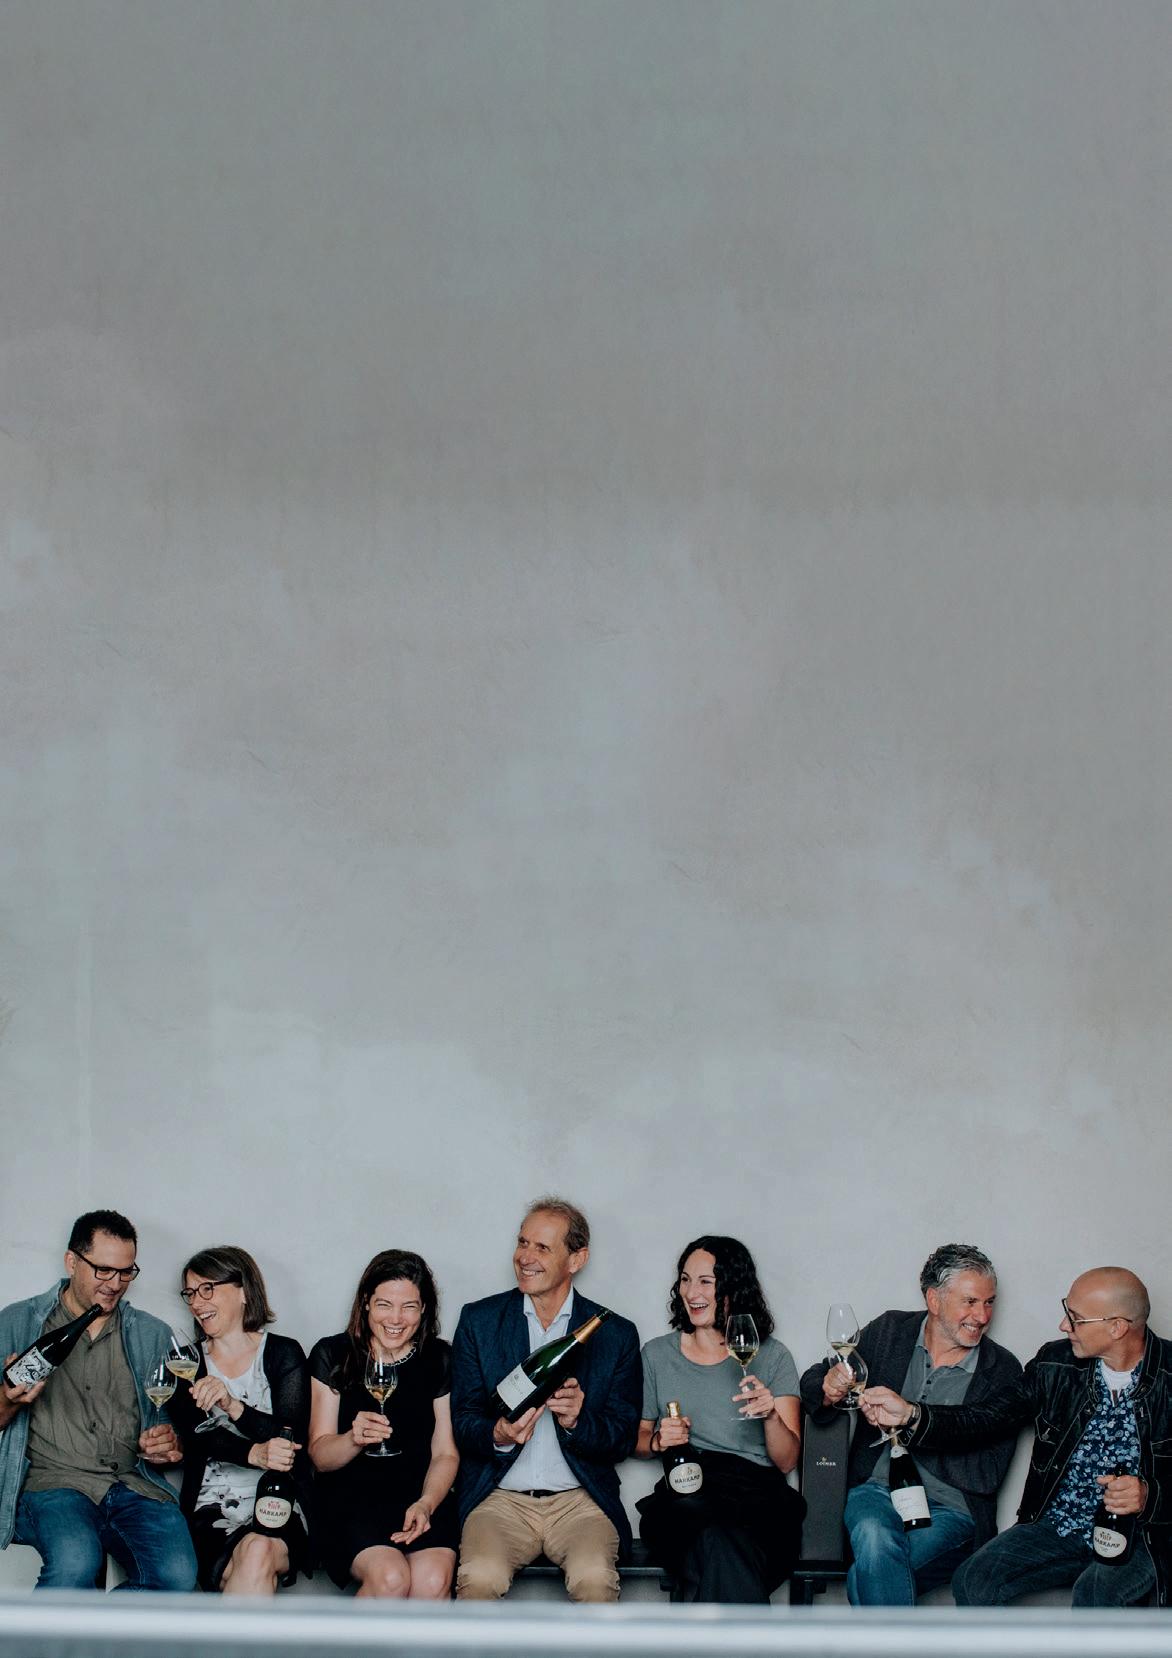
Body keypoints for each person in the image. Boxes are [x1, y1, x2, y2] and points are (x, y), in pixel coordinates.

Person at [862, 1265, 1172, 1607]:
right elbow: (988, 1416)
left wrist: (1150, 1494)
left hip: (1144, 1536)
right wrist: (912, 1414)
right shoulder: (1055, 1363)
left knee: (1097, 1593)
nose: (1063, 1325)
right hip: (1060, 1524)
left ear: (1117, 1327)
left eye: (1076, 1319)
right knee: (974, 1580)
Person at [799, 1243, 1021, 1605]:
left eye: (989, 1302)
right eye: (970, 1302)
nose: (982, 1316)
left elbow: (988, 1470)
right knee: (874, 1537)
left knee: (872, 1567)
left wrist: (911, 1417)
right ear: (934, 1300)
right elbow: (816, 1377)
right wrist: (829, 1386)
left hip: (951, 1509)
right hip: (876, 1492)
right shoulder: (890, 1331)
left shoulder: (1002, 1370)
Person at [450, 1195, 641, 1602]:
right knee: (479, 1578)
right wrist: (498, 1433)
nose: (525, 1257)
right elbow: (463, 1420)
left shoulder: (615, 1334)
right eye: (522, 1243)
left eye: (542, 1247)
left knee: (595, 1579)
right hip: (499, 1500)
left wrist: (577, 1421)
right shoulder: (478, 1321)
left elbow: (623, 1438)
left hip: (581, 1502)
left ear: (577, 1259)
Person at [0, 1208, 197, 1591]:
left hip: (132, 1483)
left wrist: (169, 1445)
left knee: (177, 1579)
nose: (115, 1283)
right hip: (53, 1483)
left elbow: (171, 1428)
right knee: (76, 1563)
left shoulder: (153, 1334)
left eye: (126, 1272)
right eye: (103, 1270)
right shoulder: (19, 1322)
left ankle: (89, 1625)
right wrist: (10, 1399)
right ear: (72, 1261)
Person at [636, 1235, 805, 1603]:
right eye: (685, 1279)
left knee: (719, 1543)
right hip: (688, 1492)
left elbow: (787, 1461)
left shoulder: (773, 1356)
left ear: (733, 1288)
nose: (691, 1292)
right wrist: (658, 1441)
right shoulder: (656, 1355)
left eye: (705, 1281)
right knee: (715, 1536)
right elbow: (638, 1440)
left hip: (759, 1498)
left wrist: (770, 1416)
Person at [308, 1249, 458, 1597]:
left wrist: (427, 1503)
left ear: (424, 1309)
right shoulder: (333, 1354)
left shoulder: (439, 1358)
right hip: (351, 1498)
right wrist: (353, 1439)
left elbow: (445, 1453)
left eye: (409, 1306)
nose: (396, 1318)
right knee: (392, 1578)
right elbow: (319, 1455)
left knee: (433, 1580)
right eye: (384, 1305)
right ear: (365, 1303)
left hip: (421, 1495)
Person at [169, 1245, 311, 1594]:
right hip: (210, 1505)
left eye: (207, 1289)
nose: (196, 1302)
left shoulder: (283, 1353)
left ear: (244, 1291)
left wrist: (233, 1405)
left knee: (258, 1550)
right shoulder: (184, 1362)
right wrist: (255, 1453)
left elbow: (290, 1439)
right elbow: (198, 1438)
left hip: (278, 1499)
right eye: (190, 1293)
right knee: (256, 1561)